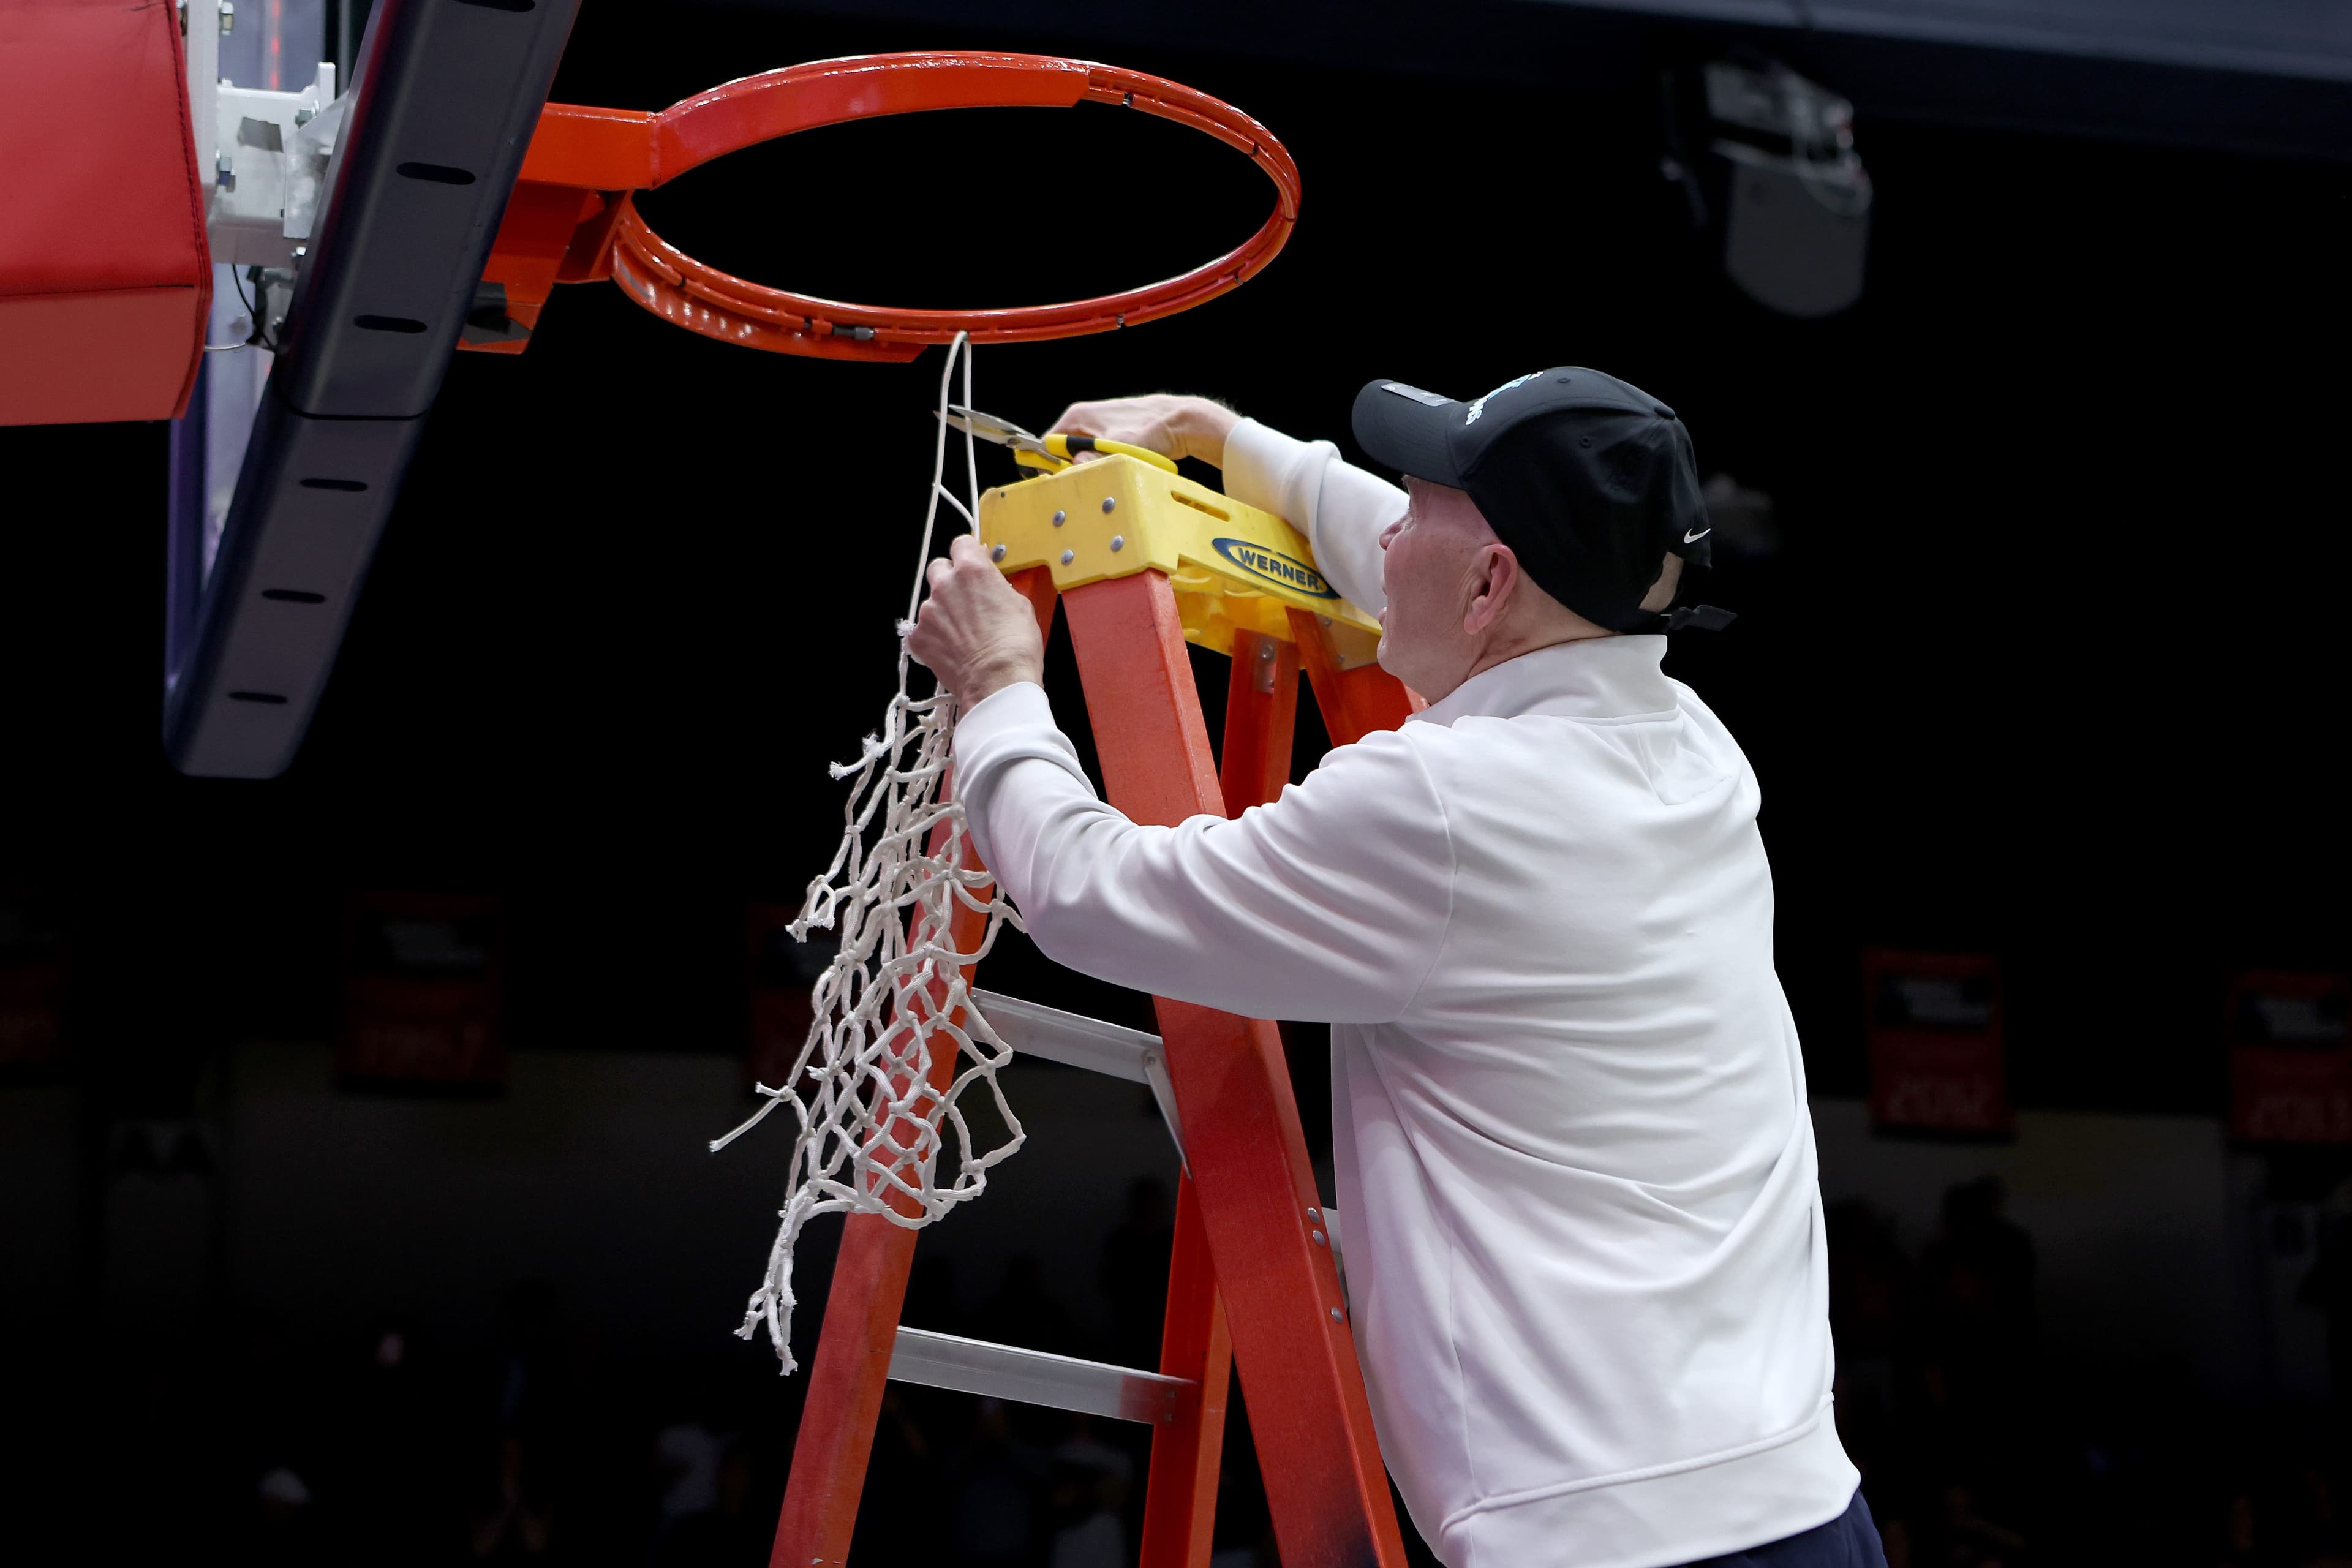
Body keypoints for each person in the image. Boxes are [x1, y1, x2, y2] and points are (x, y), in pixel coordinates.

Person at [907, 371, 1879, 1568]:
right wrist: (1220, 435)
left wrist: (999, 692)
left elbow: (1091, 893)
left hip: (1608, 1542)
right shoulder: (1689, 744)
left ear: (1491, 586)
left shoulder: (1445, 802)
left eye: (1423, 503)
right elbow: (1424, 566)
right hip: (1805, 1503)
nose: (1386, 529)